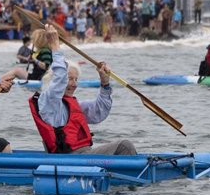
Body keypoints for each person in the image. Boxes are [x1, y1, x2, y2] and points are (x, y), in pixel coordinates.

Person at [24, 24, 137, 155]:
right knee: (124, 146)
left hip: (85, 154)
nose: (74, 84)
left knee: (123, 145)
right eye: (70, 79)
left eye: (76, 79)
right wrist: (55, 46)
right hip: (69, 158)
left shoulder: (73, 105)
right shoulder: (47, 100)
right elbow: (59, 79)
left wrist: (104, 83)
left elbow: (99, 111)